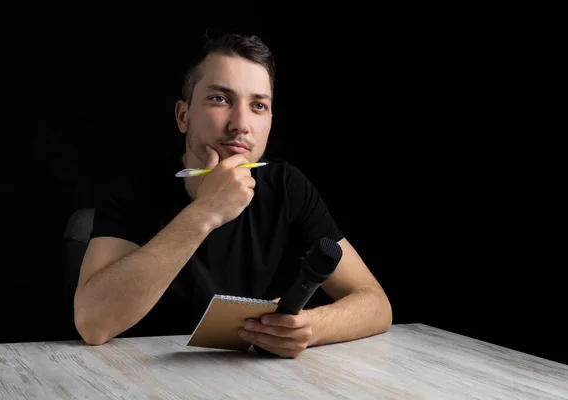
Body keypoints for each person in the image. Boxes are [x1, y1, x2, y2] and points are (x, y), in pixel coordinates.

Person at [74, 32, 392, 358]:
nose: (241, 124)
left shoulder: (286, 186)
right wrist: (206, 212)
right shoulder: (134, 186)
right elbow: (92, 323)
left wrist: (311, 327)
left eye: (258, 105)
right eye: (220, 99)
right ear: (183, 116)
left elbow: (376, 303)